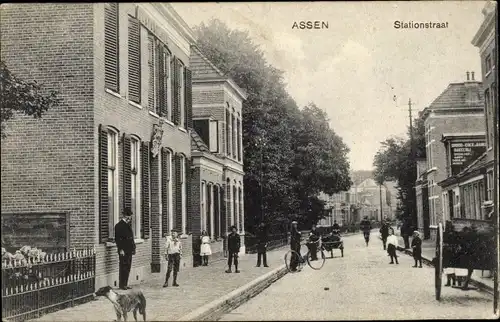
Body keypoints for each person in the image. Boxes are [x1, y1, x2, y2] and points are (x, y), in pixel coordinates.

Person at [115, 207, 136, 290]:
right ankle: (122, 284)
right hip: (123, 250)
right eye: (128, 216)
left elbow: (131, 238)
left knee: (128, 266)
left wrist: (133, 247)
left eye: (129, 216)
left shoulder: (127, 225)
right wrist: (120, 249)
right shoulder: (119, 226)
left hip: (129, 249)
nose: (129, 218)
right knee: (123, 266)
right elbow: (118, 239)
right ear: (125, 216)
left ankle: (125, 283)